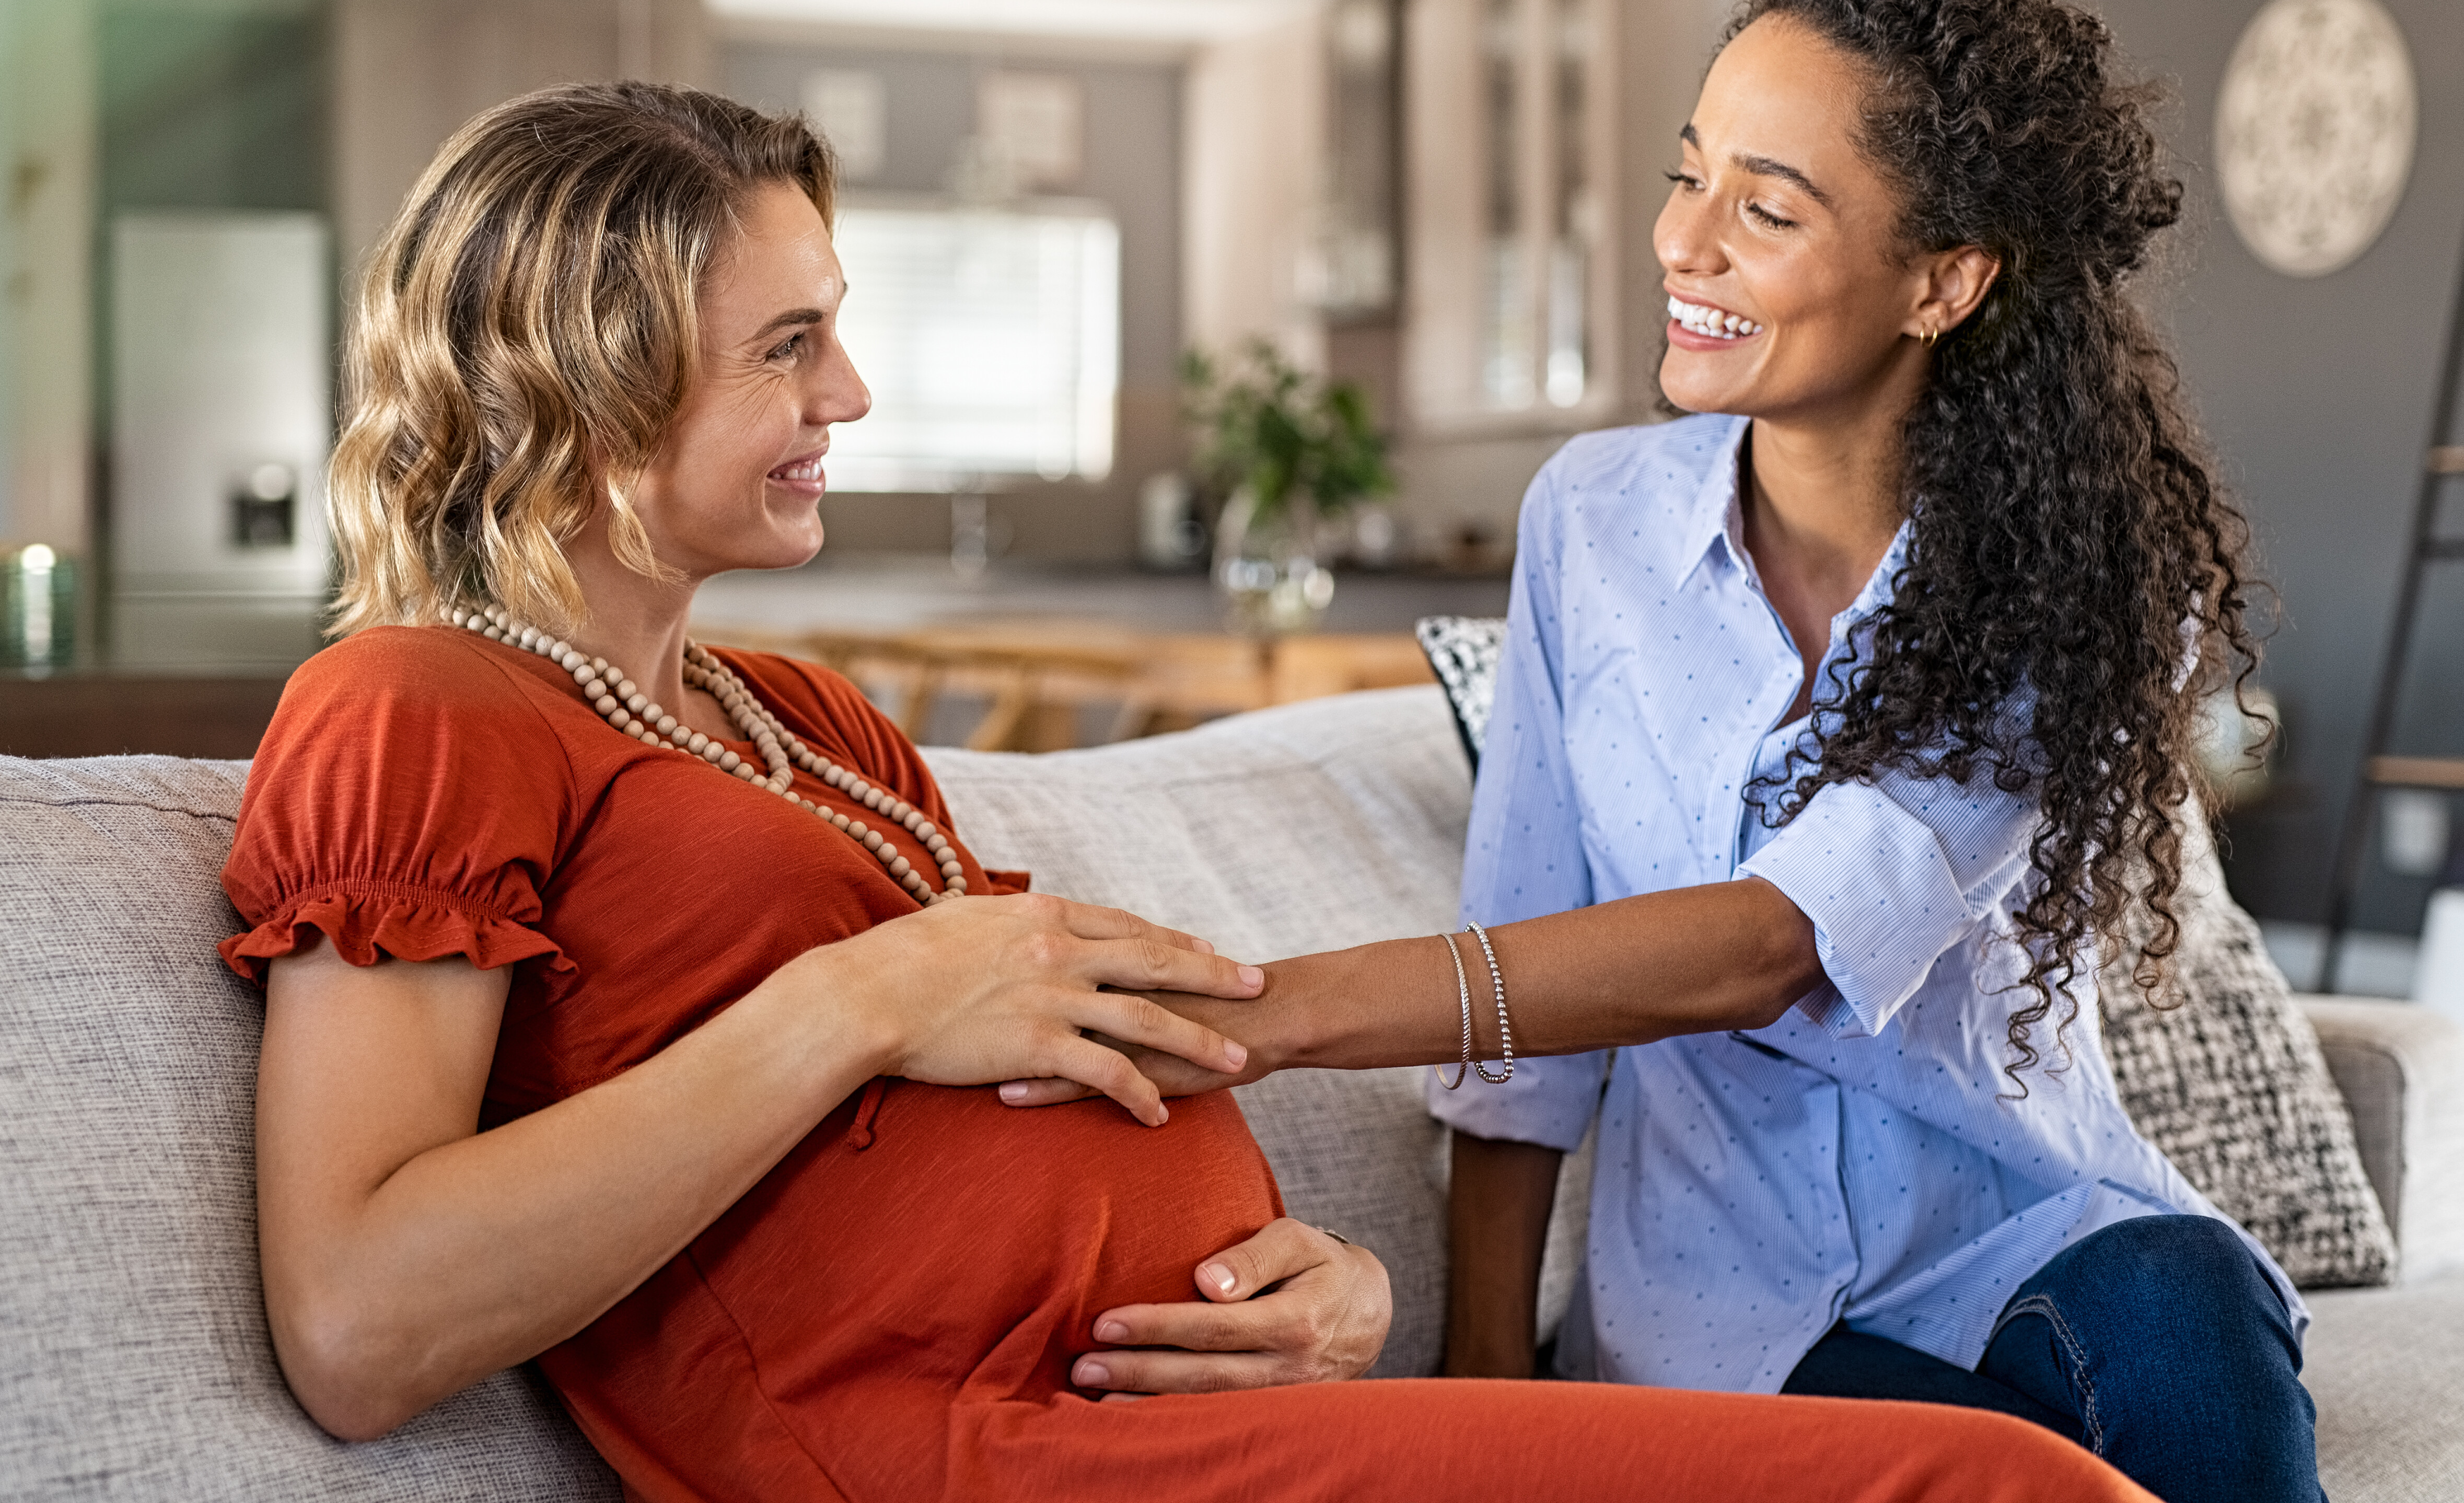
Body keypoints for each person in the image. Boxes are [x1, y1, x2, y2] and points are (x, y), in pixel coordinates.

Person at [226, 77, 2152, 1502]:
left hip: (1197, 1407)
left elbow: (1052, 1064)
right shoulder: (416, 705)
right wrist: (857, 998)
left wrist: (1331, 1286)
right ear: (589, 371)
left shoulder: (801, 716)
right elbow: (361, 1321)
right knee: (1994, 1492)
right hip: (959, 1457)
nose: (854, 398)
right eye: (790, 343)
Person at [1411, 0, 2317, 1503]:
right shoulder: (1590, 524)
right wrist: (1485, 1385)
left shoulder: (2080, 587)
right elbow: (1525, 1030)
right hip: (1724, 1316)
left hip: (2029, 1242)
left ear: (1940, 281)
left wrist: (1270, 999)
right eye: (1687, 173)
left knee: (2184, 1308)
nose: (1683, 244)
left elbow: (1770, 938)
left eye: (1762, 209)